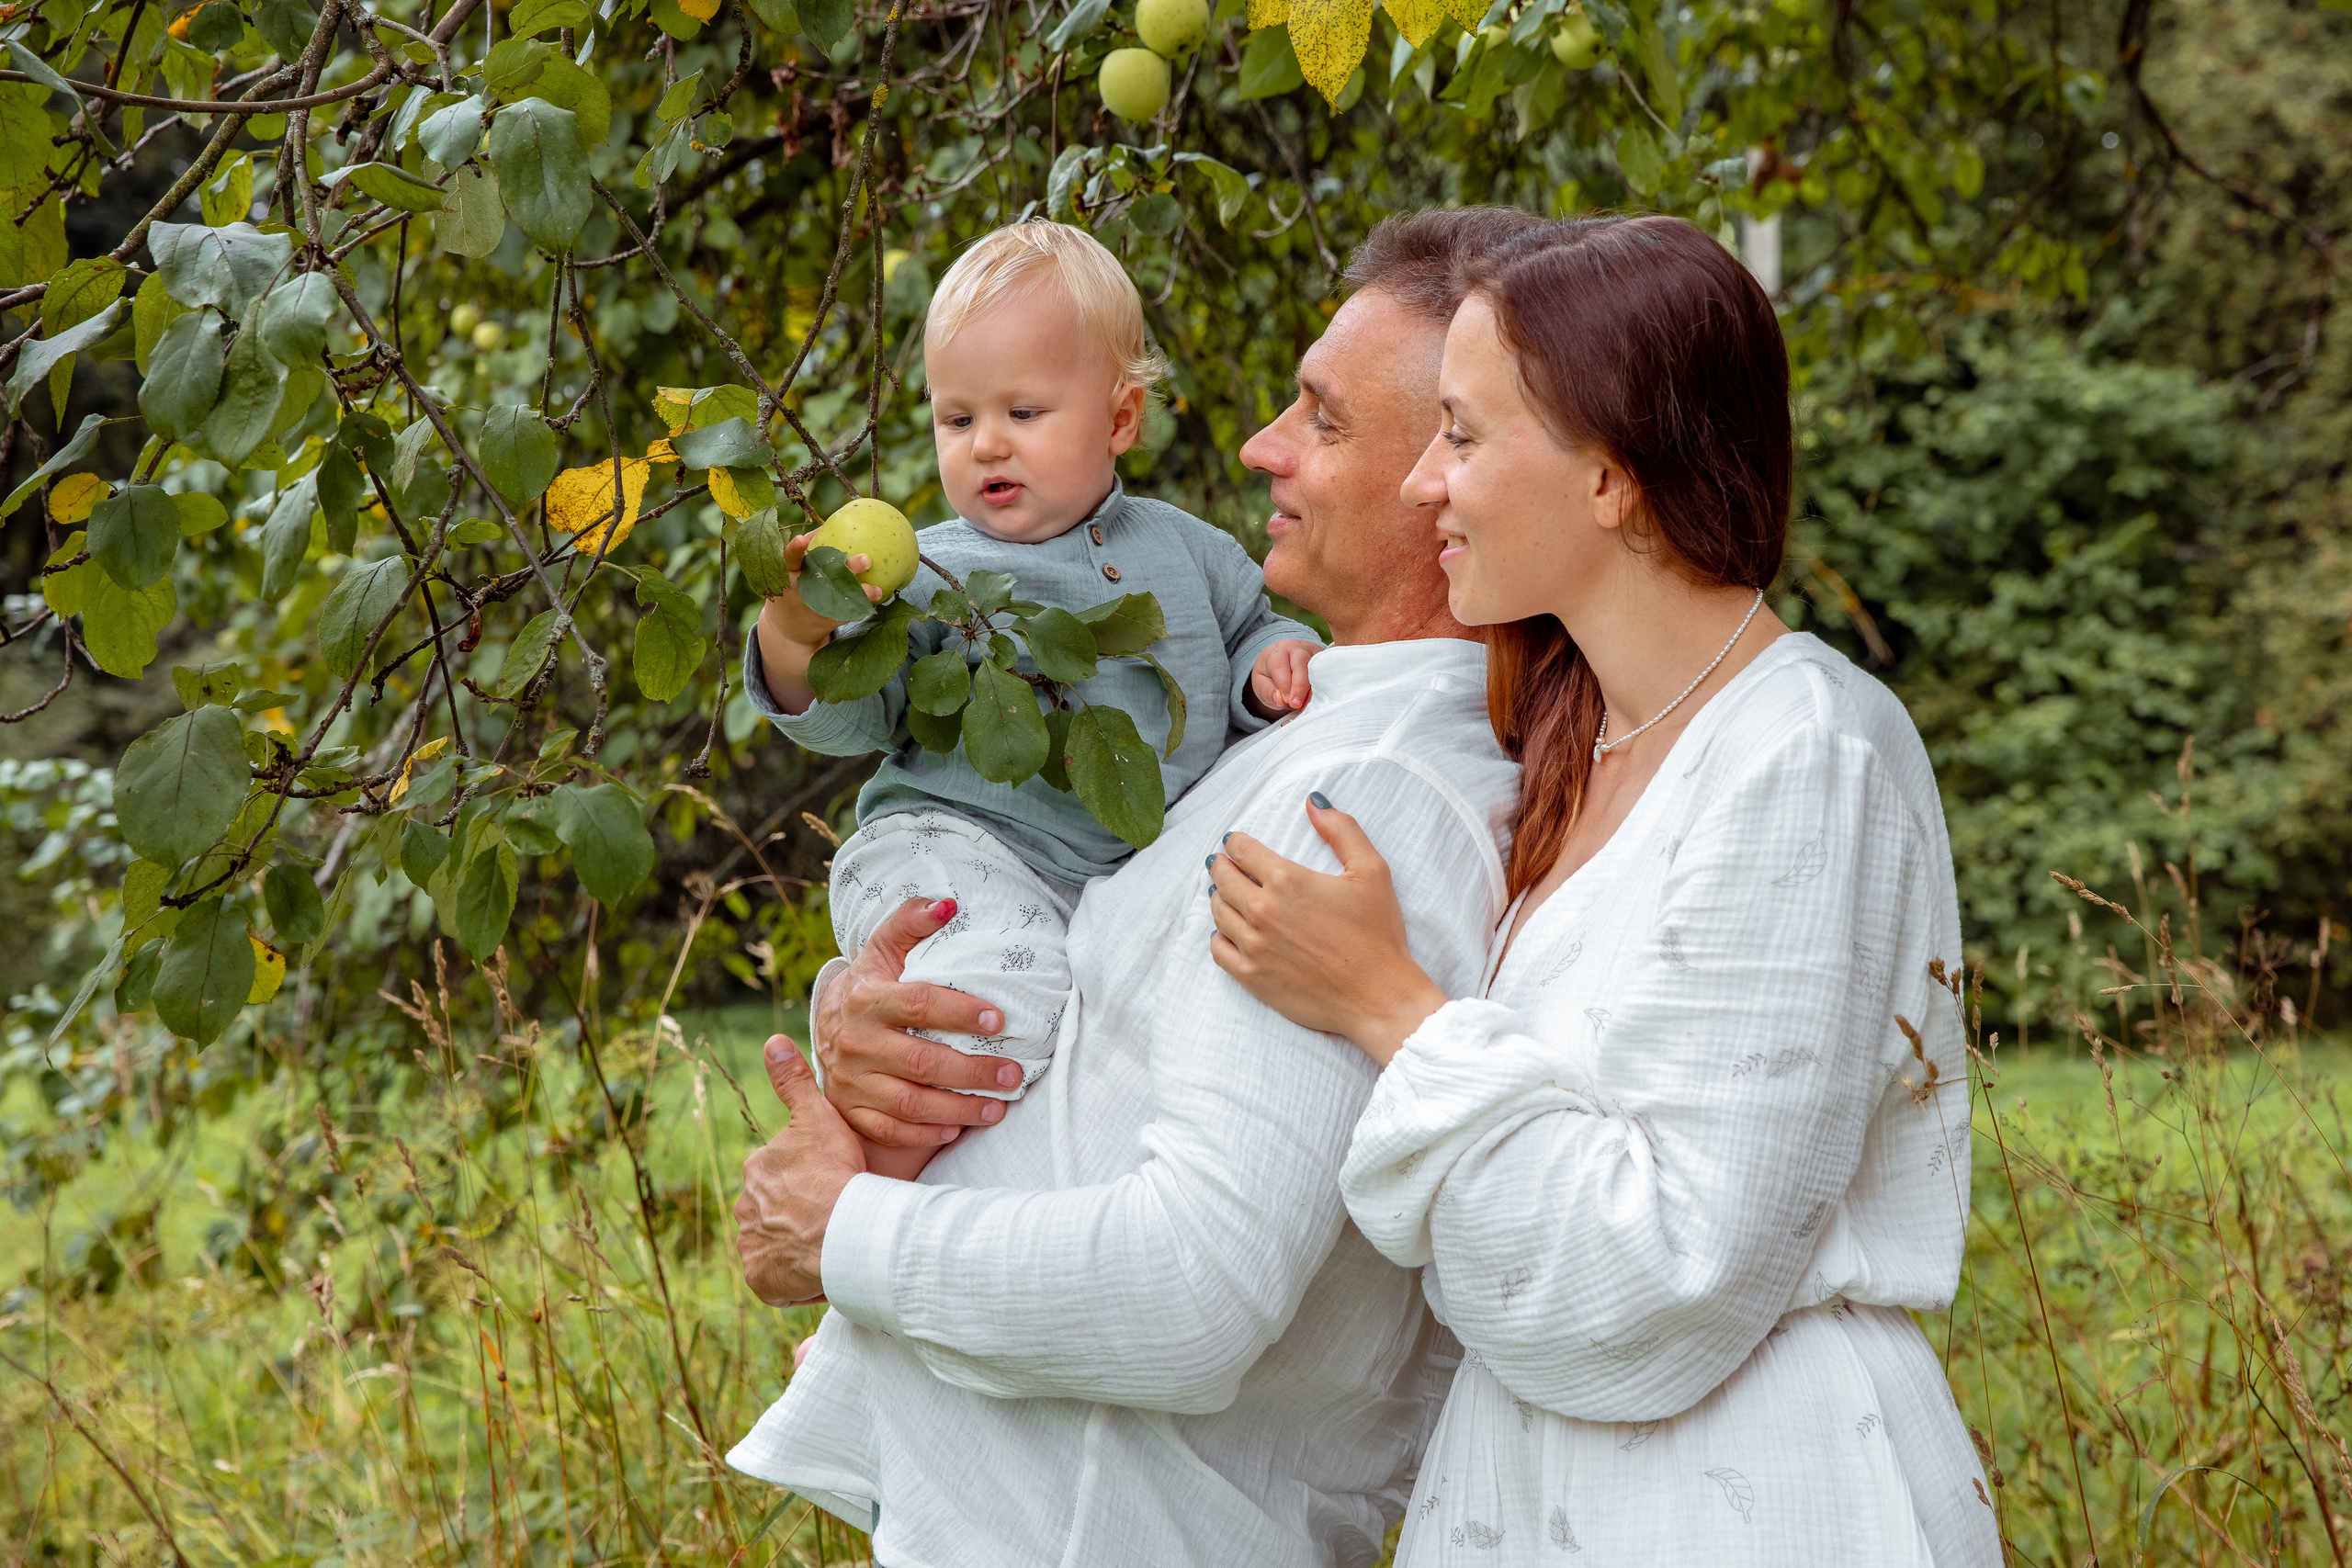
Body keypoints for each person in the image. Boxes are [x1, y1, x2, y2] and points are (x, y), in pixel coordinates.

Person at [727, 208, 1547, 1566]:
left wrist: (853, 1231)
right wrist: (874, 1024)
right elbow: (1092, 993)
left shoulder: (1358, 797)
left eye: (1323, 420)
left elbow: (1194, 1290)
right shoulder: (1295, 751)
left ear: (1450, 475)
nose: (1259, 445)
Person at [1203, 216, 2002, 1562]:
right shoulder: (1580, 748)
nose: (1421, 486)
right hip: (1547, 1491)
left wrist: (1388, 1004)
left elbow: (1662, 1280)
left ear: (1611, 479)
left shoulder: (1805, 749)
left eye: (1461, 435)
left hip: (1751, 1498)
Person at [745, 220, 1323, 1179]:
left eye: (1022, 412)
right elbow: (852, 712)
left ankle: (905, 1230)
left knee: (1047, 1049)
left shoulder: (1189, 551)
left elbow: (1246, 630)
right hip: (948, 853)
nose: (985, 446)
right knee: (980, 1013)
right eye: (957, 419)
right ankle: (857, 1201)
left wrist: (1278, 659)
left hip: (1082, 885)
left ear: (1121, 420)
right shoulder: (933, 575)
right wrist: (799, 635)